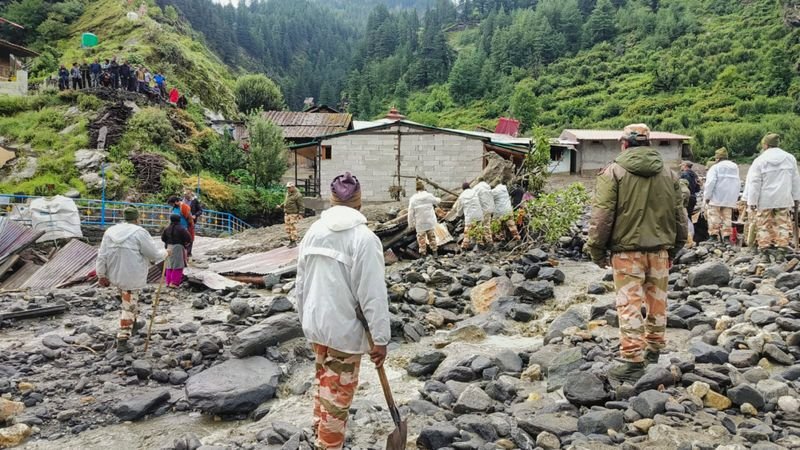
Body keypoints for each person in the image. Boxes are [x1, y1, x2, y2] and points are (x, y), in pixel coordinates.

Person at [586, 123, 687, 384]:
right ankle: (653, 351)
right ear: (648, 143)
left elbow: (602, 216)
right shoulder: (669, 173)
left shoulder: (613, 172)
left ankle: (632, 360)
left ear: (624, 144)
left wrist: (596, 250)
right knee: (658, 302)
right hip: (661, 250)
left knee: (629, 305)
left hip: (626, 251)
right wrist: (675, 247)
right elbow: (680, 215)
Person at [295, 172, 390, 450]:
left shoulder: (313, 232)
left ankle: (318, 433)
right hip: (344, 332)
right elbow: (372, 295)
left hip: (316, 324)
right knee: (338, 397)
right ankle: (328, 445)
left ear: (331, 200)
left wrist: (306, 320)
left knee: (324, 381)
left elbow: (301, 283)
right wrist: (381, 339)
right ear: (359, 204)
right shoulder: (364, 239)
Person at [96, 207, 168, 353]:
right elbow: (153, 254)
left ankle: (133, 324)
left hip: (115, 273)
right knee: (129, 306)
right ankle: (123, 340)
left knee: (127, 301)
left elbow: (101, 255)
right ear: (137, 219)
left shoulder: (110, 232)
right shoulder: (139, 232)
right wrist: (166, 252)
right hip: (132, 274)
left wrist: (101, 274)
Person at [744, 133, 800, 260]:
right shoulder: (789, 158)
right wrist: (796, 197)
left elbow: (755, 182)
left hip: (764, 199)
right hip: (783, 197)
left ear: (765, 145)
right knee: (782, 223)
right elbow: (796, 180)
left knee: (763, 224)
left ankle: (765, 251)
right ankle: (781, 250)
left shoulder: (759, 160)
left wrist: (752, 201)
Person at [704, 147, 741, 244]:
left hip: (716, 197)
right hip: (729, 198)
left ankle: (714, 236)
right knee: (727, 217)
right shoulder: (734, 167)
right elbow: (737, 182)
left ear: (717, 158)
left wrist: (707, 197)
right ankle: (726, 238)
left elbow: (710, 183)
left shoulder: (715, 167)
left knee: (713, 216)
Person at [408, 179, 441, 258]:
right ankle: (435, 253)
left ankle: (423, 254)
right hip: (430, 221)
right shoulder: (429, 196)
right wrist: (440, 199)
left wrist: (411, 224)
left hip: (420, 222)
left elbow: (410, 213)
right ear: (423, 188)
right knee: (432, 237)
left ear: (416, 189)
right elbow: (437, 201)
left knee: (421, 239)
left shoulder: (413, 199)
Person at [161, 214, 192, 288]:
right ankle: (174, 283)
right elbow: (188, 238)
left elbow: (163, 238)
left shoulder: (167, 228)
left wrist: (168, 242)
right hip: (178, 247)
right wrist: (185, 243)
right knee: (178, 266)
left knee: (169, 265)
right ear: (179, 220)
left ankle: (168, 282)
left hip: (169, 247)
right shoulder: (181, 228)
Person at [458, 182, 485, 251]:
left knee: (467, 233)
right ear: (469, 187)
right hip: (479, 215)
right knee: (479, 230)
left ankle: (464, 247)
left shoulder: (461, 196)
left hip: (469, 217)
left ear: (463, 189)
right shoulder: (474, 192)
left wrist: (459, 215)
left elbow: (459, 210)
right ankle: (480, 245)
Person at [283, 182, 304, 248]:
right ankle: (291, 241)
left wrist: (301, 214)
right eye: (287, 188)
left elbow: (301, 205)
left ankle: (294, 242)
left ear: (293, 187)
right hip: (287, 213)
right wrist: (281, 206)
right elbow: (286, 202)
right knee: (288, 229)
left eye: (289, 187)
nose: (288, 189)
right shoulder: (288, 194)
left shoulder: (298, 195)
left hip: (293, 214)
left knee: (293, 228)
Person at [473, 178, 495, 244]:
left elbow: (473, 196)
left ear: (478, 181)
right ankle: (489, 241)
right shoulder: (488, 187)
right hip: (489, 209)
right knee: (487, 225)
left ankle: (480, 243)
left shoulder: (477, 187)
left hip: (482, 209)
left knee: (479, 226)